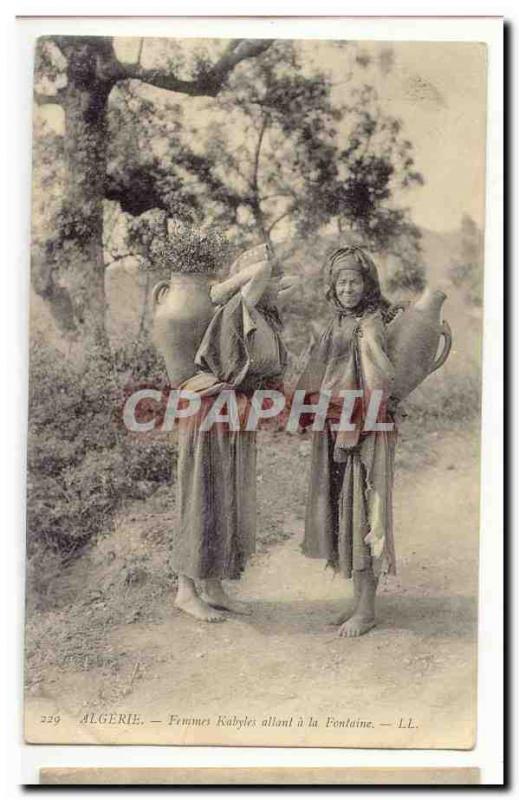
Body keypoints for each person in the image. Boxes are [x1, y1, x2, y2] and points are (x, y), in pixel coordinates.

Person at [172, 243, 296, 622]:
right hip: (209, 410)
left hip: (234, 413)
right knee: (201, 495)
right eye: (270, 279)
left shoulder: (263, 317)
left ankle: (213, 586)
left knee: (225, 499)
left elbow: (291, 283)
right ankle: (185, 589)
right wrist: (235, 281)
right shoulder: (236, 308)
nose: (277, 285)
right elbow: (258, 277)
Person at [297, 245, 400, 637]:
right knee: (345, 514)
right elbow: (319, 372)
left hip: (363, 432)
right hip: (336, 428)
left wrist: (357, 428)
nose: (346, 288)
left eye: (354, 280)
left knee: (364, 512)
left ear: (367, 284)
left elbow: (378, 383)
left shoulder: (369, 324)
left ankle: (368, 609)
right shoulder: (337, 322)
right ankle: (358, 602)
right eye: (340, 281)